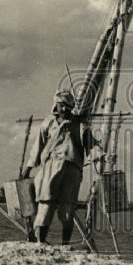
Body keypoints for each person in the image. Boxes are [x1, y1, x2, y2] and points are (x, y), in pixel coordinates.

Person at [21, 89, 106, 249]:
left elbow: (91, 144)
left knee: (67, 210)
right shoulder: (48, 123)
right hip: (49, 170)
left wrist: (101, 155)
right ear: (56, 105)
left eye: (68, 106)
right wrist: (28, 168)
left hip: (71, 170)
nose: (65, 109)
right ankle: (40, 243)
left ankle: (64, 245)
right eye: (62, 106)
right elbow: (37, 146)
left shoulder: (80, 125)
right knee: (45, 206)